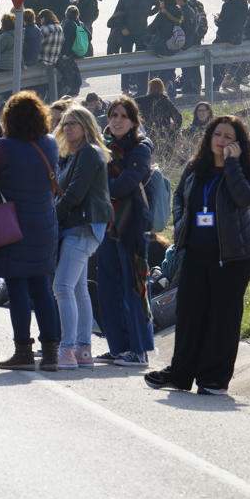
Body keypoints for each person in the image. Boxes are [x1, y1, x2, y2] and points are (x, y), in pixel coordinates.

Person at [148, 116, 250, 396]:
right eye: (217, 134)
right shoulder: (195, 167)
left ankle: (214, 379)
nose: (221, 140)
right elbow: (179, 199)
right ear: (209, 137)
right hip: (195, 253)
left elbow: (245, 199)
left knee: (222, 317)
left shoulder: (247, 169)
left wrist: (233, 165)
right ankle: (180, 373)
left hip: (233, 256)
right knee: (189, 314)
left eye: (228, 136)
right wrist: (181, 228)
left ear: (238, 143)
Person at [0, 92, 63, 372]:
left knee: (17, 287)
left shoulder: (3, 147)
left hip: (14, 224)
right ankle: (52, 352)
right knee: (43, 288)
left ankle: (23, 350)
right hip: (44, 224)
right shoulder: (50, 144)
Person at [97, 96, 157, 367]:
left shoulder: (141, 148)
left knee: (134, 287)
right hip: (106, 225)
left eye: (123, 116)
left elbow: (126, 183)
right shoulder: (100, 146)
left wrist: (98, 187)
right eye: (113, 115)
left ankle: (138, 348)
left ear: (133, 121)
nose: (117, 120)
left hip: (132, 226)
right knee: (108, 288)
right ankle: (118, 347)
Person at [52, 106, 112, 369]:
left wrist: (50, 218)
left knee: (62, 287)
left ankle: (67, 350)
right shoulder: (77, 154)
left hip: (83, 227)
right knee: (78, 289)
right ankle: (83, 350)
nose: (67, 128)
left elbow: (74, 194)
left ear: (86, 126)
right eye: (65, 123)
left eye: (74, 123)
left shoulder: (89, 153)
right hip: (82, 226)